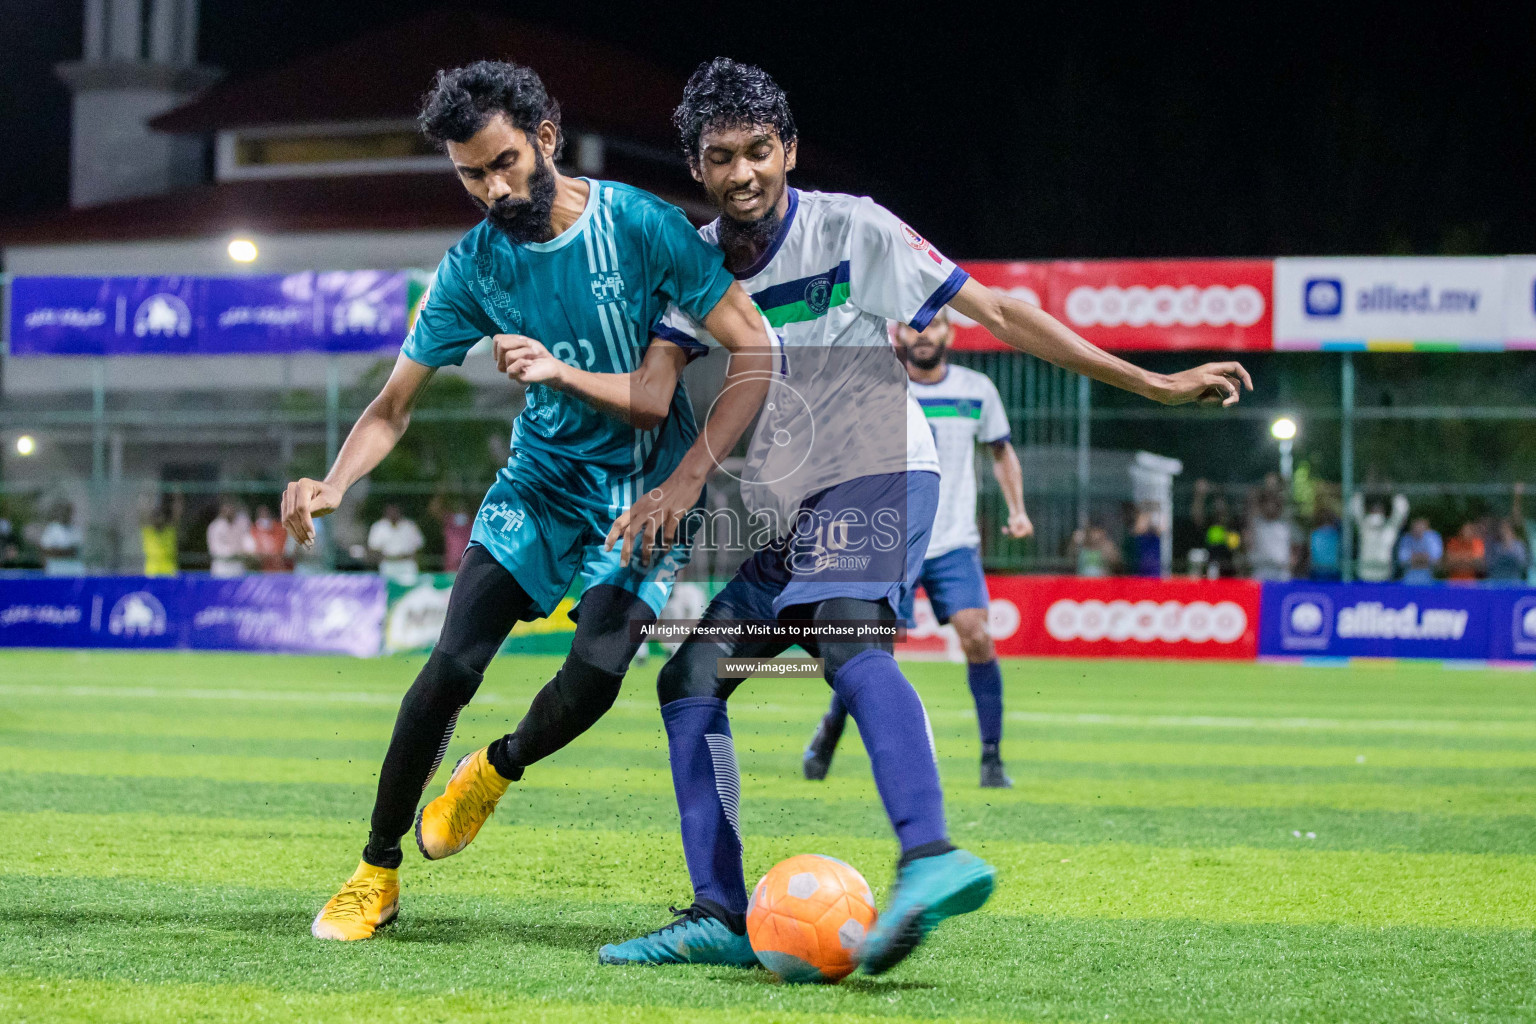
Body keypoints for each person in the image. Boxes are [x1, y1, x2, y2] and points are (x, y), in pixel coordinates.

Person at [572, 59, 1250, 975]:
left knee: (848, 636)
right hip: (789, 522)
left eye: (759, 152)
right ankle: (718, 913)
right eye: (721, 156)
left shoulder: (854, 229)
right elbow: (654, 396)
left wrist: (1153, 381)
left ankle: (929, 855)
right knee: (693, 674)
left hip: (880, 473)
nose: (743, 174)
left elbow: (1003, 312)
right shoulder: (687, 270)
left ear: (789, 149)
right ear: (696, 166)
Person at [288, 60, 774, 942]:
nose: (493, 187)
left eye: (505, 162)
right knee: (450, 669)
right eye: (472, 174)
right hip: (540, 486)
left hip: (643, 493)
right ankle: (375, 870)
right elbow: (392, 406)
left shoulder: (642, 226)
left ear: (547, 137)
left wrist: (688, 478)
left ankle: (494, 769)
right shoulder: (473, 264)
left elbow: (754, 347)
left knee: (594, 675)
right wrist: (336, 480)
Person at [800, 310, 1032, 791]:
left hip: (952, 542)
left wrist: (1017, 509)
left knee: (978, 637)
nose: (923, 335)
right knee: (869, 652)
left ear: (950, 332)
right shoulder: (878, 387)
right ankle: (830, 732)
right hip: (889, 542)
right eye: (913, 327)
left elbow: (1000, 449)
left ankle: (991, 757)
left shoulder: (977, 389)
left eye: (934, 326)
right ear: (898, 334)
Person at [1349, 492, 1407, 583]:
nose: (1376, 513)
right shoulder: (1365, 528)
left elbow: (1399, 515)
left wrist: (1398, 496)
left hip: (1383, 573)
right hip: (1365, 572)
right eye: (1374, 510)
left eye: (1379, 510)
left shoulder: (1389, 529)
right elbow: (1356, 512)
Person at [367, 504, 425, 584]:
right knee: (388, 587)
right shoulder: (379, 527)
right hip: (388, 563)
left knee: (410, 588)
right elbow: (373, 547)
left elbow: (419, 545)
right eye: (391, 510)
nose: (393, 513)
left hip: (406, 564)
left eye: (395, 510)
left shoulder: (410, 526)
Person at [1246, 490, 1294, 581]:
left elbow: (1293, 549)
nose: (1270, 506)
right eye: (1267, 503)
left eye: (1273, 504)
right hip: (1260, 571)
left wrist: (1291, 563)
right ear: (1262, 506)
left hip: (1281, 573)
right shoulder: (1256, 525)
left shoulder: (1285, 526)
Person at [206, 501, 253, 578]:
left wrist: (248, 551)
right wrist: (235, 551)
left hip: (238, 566)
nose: (229, 510)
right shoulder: (214, 527)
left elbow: (247, 541)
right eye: (226, 508)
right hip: (221, 566)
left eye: (231, 507)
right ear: (222, 510)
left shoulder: (242, 522)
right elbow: (215, 549)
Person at [141, 494, 183, 577]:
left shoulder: (169, 531)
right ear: (152, 519)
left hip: (169, 570)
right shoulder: (148, 532)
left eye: (160, 517)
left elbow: (177, 514)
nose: (158, 520)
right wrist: (144, 497)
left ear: (164, 518)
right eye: (156, 517)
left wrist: (177, 497)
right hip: (151, 571)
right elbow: (142, 514)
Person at [40, 504, 85, 576]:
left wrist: (59, 551)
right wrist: (63, 552)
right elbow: (46, 550)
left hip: (72, 567)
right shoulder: (52, 528)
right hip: (56, 567)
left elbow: (75, 550)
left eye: (68, 512)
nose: (66, 514)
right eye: (64, 512)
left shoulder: (75, 529)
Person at [1396, 516, 1443, 584]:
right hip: (1409, 576)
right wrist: (1425, 558)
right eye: (1416, 526)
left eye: (1421, 526)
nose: (1418, 529)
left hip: (1429, 575)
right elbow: (1402, 560)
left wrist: (1414, 558)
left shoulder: (1433, 537)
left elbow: (1436, 560)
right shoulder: (1406, 539)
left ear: (1426, 527)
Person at [250, 505, 290, 573]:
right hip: (262, 570)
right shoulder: (254, 530)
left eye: (266, 514)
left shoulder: (280, 529)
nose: (264, 517)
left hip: (280, 569)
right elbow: (255, 552)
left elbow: (284, 550)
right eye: (261, 515)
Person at [1308, 509, 1342, 581]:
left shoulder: (1315, 534)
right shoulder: (1335, 534)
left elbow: (1312, 551)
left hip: (1319, 568)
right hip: (1332, 568)